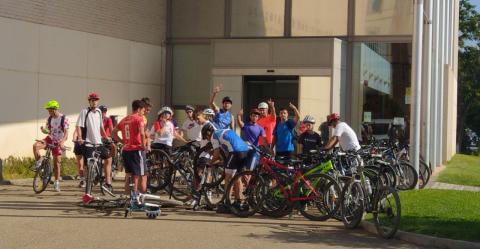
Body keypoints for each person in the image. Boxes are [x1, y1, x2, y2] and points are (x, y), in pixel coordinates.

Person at [201, 125, 254, 213]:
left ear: (208, 133)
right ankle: (239, 201)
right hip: (245, 150)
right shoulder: (225, 130)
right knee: (237, 177)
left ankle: (227, 203)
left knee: (228, 177)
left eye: (207, 137)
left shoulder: (214, 136)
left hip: (235, 152)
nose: (208, 139)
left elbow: (217, 153)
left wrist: (210, 163)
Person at [75, 92, 113, 193]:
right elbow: (78, 126)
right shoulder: (84, 112)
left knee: (108, 158)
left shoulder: (100, 112)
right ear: (89, 101)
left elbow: (101, 127)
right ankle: (88, 186)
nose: (94, 102)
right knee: (88, 165)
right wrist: (79, 137)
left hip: (99, 142)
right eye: (92, 100)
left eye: (96, 100)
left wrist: (106, 136)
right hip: (88, 142)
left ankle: (108, 182)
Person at [112, 100, 148, 197]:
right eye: (143, 110)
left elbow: (113, 132)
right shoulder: (139, 119)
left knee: (128, 174)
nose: (144, 112)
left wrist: (123, 141)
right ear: (139, 109)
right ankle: (136, 198)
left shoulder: (125, 119)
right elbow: (141, 133)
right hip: (136, 150)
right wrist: (144, 146)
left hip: (126, 150)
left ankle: (127, 196)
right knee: (139, 175)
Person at [33, 100, 69, 192]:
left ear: (55, 109)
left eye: (50, 110)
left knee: (56, 163)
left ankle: (56, 182)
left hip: (58, 141)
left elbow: (66, 133)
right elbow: (48, 131)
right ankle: (39, 162)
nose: (49, 112)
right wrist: (43, 131)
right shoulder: (49, 119)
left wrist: (62, 142)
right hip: (50, 138)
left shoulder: (64, 118)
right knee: (35, 146)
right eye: (48, 110)